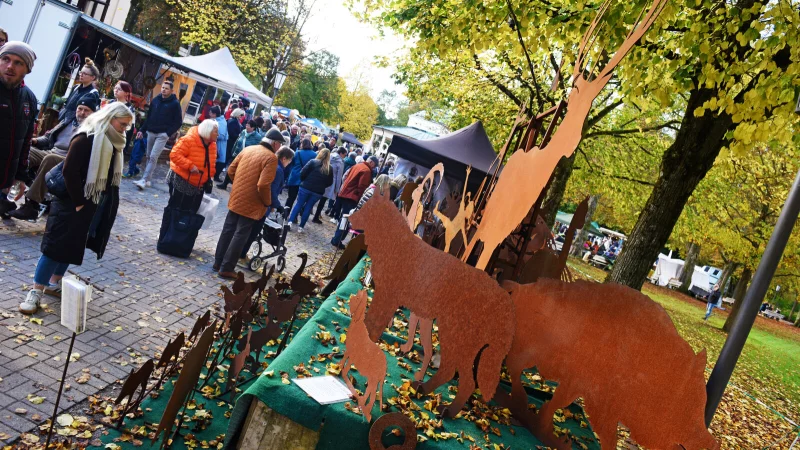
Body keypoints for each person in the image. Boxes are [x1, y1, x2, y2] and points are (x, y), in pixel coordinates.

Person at [19, 103, 133, 314]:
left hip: (90, 201)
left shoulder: (113, 141)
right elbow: (69, 171)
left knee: (71, 246)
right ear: (110, 118)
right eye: (123, 124)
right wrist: (79, 201)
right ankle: (35, 291)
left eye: (127, 125)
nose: (124, 129)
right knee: (54, 247)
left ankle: (55, 283)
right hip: (71, 200)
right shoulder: (87, 137)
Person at [9, 97, 97, 220]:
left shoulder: (93, 130)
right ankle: (6, 193)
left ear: (93, 113)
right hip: (51, 152)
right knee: (24, 151)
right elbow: (47, 138)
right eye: (80, 109)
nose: (82, 113)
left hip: (68, 159)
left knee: (50, 159)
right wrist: (33, 141)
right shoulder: (67, 121)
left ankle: (32, 205)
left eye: (86, 110)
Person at [213, 129, 285, 279]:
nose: (280, 148)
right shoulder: (271, 158)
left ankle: (218, 262)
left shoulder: (248, 149)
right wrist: (267, 202)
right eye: (280, 144)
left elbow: (231, 170)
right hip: (253, 202)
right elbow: (263, 185)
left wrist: (240, 186)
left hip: (237, 196)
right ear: (275, 143)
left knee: (228, 230)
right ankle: (226, 267)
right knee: (240, 234)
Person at [0, 41, 38, 219]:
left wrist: (21, 177)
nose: (10, 66)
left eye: (18, 63)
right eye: (5, 59)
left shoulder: (29, 98)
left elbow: (26, 141)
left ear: (27, 69)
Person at [240, 146, 294, 261]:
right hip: (262, 205)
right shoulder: (278, 170)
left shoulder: (272, 164)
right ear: (284, 158)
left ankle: (240, 253)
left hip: (255, 201)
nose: (289, 164)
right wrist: (277, 206)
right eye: (289, 161)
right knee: (252, 232)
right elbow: (271, 191)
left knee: (247, 230)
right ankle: (241, 255)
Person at [133, 80, 183, 190]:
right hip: (151, 131)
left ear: (171, 90)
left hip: (162, 134)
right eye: (163, 87)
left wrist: (168, 133)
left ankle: (144, 179)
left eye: (166, 88)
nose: (164, 90)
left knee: (153, 156)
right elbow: (148, 117)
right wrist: (142, 129)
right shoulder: (155, 100)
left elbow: (178, 121)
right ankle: (148, 179)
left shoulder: (175, 104)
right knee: (149, 155)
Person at [165, 119, 217, 214]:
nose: (218, 134)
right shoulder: (189, 140)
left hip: (198, 185)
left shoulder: (212, 145)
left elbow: (210, 163)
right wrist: (190, 166)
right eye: (215, 131)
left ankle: (181, 228)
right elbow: (174, 155)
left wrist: (210, 176)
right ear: (208, 132)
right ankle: (169, 228)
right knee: (175, 209)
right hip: (181, 181)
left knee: (189, 213)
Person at [331, 174, 391, 249]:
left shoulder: (372, 188)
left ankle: (349, 246)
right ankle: (353, 249)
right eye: (388, 184)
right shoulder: (375, 193)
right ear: (384, 183)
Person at [288, 148, 333, 232]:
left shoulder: (313, 162)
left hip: (305, 187)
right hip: (318, 191)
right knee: (308, 208)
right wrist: (322, 186)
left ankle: (290, 222)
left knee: (298, 204)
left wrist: (304, 181)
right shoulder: (329, 168)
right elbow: (330, 182)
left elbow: (302, 173)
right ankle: (301, 227)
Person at [216, 119, 262, 190]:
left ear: (253, 128)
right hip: (236, 154)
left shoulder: (258, 137)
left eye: (248, 125)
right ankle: (224, 184)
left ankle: (237, 188)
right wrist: (233, 151)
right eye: (246, 124)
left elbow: (257, 148)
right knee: (231, 169)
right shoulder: (243, 132)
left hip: (246, 157)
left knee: (240, 173)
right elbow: (238, 141)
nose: (246, 126)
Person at [334, 156, 377, 222]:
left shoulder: (357, 165)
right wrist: (359, 198)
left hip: (345, 192)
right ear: (371, 162)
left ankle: (339, 229)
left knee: (344, 216)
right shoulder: (366, 170)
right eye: (374, 166)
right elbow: (362, 186)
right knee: (345, 218)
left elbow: (346, 176)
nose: (373, 168)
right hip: (352, 196)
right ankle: (340, 231)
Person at [284, 138, 316, 214]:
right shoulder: (314, 155)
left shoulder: (297, 153)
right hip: (306, 179)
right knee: (301, 201)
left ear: (302, 144)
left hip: (294, 177)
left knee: (291, 198)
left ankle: (285, 214)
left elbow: (291, 164)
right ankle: (294, 217)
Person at [315, 146, 346, 223]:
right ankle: (316, 216)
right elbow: (339, 177)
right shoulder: (340, 162)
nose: (345, 157)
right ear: (341, 153)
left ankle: (305, 210)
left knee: (315, 196)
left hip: (321, 178)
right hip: (330, 182)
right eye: (344, 155)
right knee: (323, 200)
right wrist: (337, 189)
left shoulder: (330, 156)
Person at [208, 106, 228, 180]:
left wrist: (209, 134)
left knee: (218, 160)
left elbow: (221, 136)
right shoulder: (217, 120)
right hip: (216, 145)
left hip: (219, 146)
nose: (209, 114)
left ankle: (214, 176)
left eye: (210, 112)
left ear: (214, 114)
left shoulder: (221, 123)